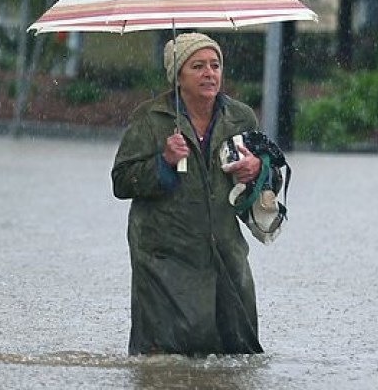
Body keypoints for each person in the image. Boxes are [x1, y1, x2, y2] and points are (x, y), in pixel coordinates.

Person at [111, 32, 264, 356]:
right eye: (198, 66)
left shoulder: (241, 117)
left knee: (238, 351)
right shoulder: (151, 118)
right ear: (177, 75)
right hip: (164, 255)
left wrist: (257, 169)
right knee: (165, 354)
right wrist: (163, 162)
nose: (209, 73)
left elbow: (265, 178)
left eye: (215, 65)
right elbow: (121, 181)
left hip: (224, 250)